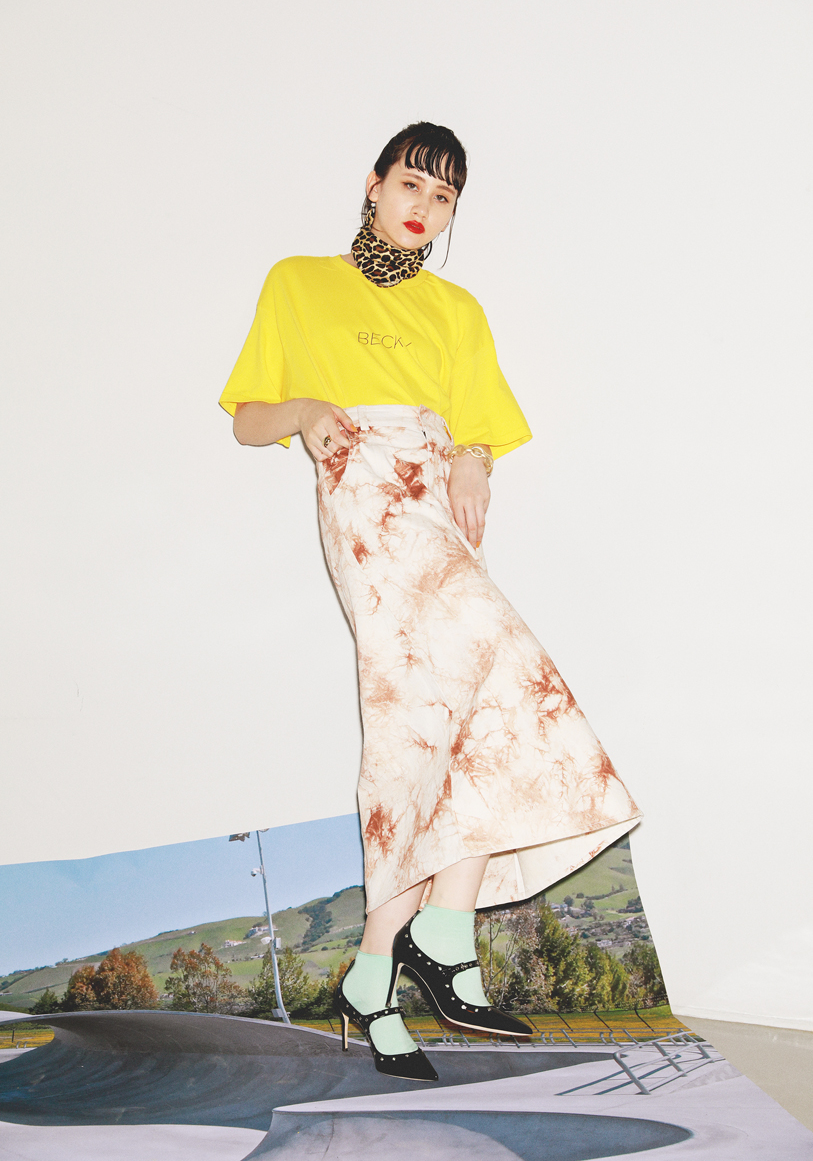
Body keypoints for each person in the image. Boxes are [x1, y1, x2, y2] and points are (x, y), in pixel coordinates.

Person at [219, 122, 641, 1082]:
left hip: (434, 499)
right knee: (466, 698)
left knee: (454, 724)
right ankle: (440, 940)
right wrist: (306, 412)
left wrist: (475, 457)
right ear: (373, 184)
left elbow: (477, 424)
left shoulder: (456, 308)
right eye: (412, 183)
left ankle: (378, 972)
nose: (424, 207)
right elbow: (248, 420)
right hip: (365, 499)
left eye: (443, 197)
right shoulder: (299, 281)